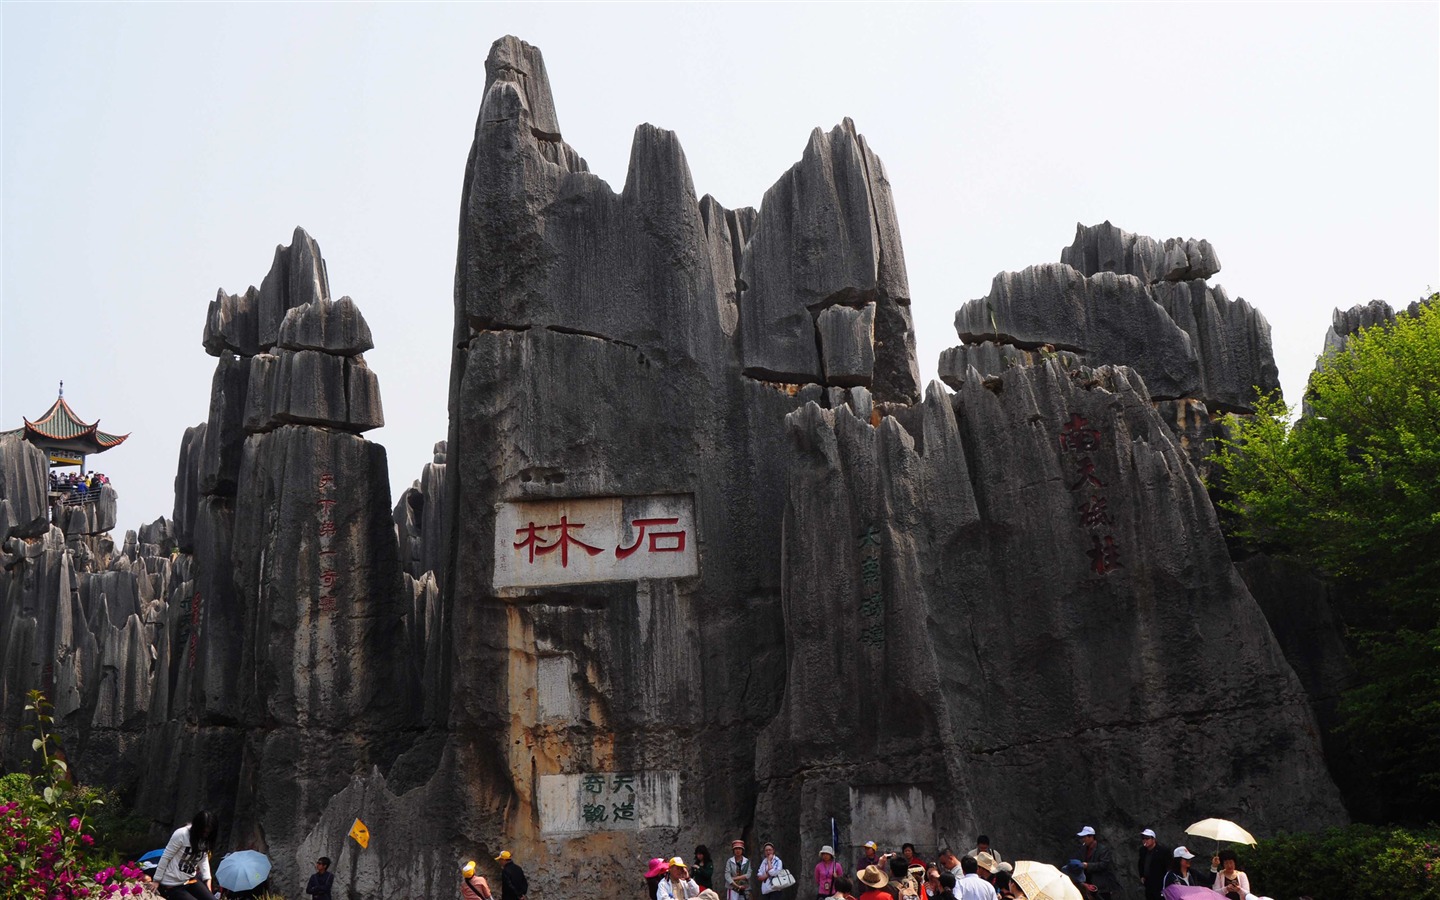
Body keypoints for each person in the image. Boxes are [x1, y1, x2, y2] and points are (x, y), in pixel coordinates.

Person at [154, 810, 218, 899]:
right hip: (172, 884)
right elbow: (166, 857)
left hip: (190, 880)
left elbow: (203, 859)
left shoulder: (205, 839)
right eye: (203, 832)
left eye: (208, 833)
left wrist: (208, 879)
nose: (205, 835)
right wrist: (156, 880)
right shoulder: (181, 834)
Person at [1075, 827, 1119, 900]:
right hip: (1087, 884)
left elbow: (1104, 864)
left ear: (1091, 837)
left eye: (1085, 837)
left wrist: (1088, 865)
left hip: (1101, 886)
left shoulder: (1102, 849)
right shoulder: (1083, 849)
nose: (1083, 839)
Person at [1137, 830, 1170, 900]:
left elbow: (1168, 866)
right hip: (1148, 882)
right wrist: (1142, 875)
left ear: (1153, 839)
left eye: (1147, 838)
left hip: (1159, 883)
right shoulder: (1142, 850)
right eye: (1143, 838)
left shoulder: (1163, 851)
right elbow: (1141, 863)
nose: (1145, 840)